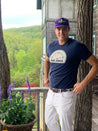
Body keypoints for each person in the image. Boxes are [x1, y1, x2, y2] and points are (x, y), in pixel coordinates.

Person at [44, 17, 98, 131]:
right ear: (55, 30)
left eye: (64, 29)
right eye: (58, 29)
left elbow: (96, 65)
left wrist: (82, 84)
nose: (61, 32)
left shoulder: (77, 46)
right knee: (49, 121)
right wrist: (45, 77)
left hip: (66, 95)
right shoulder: (51, 46)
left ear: (68, 29)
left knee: (66, 128)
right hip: (51, 93)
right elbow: (47, 61)